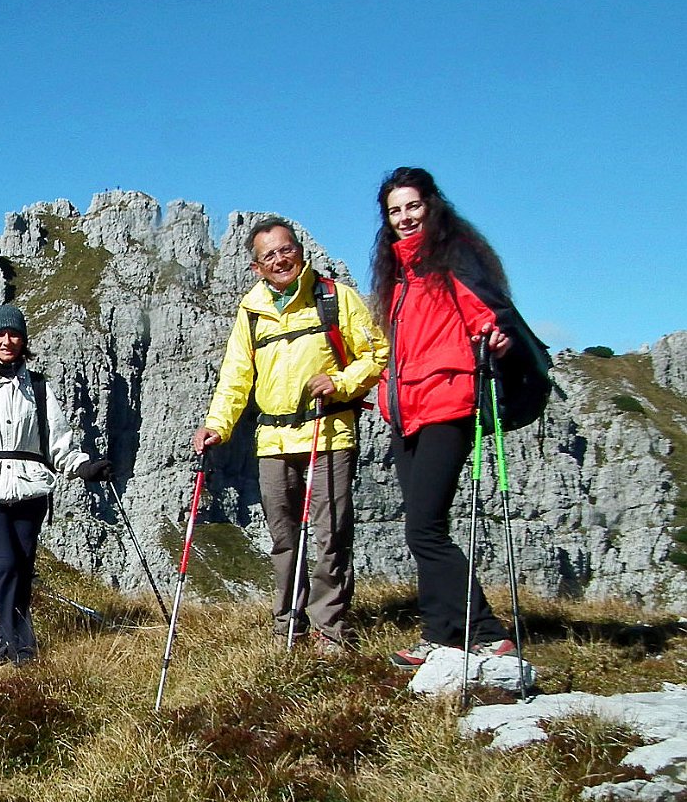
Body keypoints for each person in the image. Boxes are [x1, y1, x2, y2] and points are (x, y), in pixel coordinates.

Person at [193, 217, 387, 655]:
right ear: (256, 267)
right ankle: (288, 625)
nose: (280, 260)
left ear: (300, 251)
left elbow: (376, 353)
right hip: (274, 443)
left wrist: (341, 382)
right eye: (269, 256)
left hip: (328, 434)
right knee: (284, 539)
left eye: (286, 250)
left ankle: (329, 629)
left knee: (331, 534)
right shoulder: (252, 309)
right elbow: (236, 375)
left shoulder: (335, 297)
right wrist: (218, 425)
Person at [370, 166, 518, 668]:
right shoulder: (398, 274)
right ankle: (442, 631)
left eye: (412, 206)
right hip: (408, 410)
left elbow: (485, 310)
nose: (405, 218)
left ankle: (485, 631)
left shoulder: (453, 258)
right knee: (421, 525)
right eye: (395, 211)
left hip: (448, 403)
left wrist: (495, 334)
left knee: (426, 528)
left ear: (432, 204)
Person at [0, 304, 113, 666]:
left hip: (31, 491)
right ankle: (20, 650)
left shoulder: (39, 388)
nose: (7, 341)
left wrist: (84, 468)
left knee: (22, 567)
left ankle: (6, 648)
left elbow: (58, 442)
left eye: (13, 334)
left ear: (23, 340)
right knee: (3, 567)